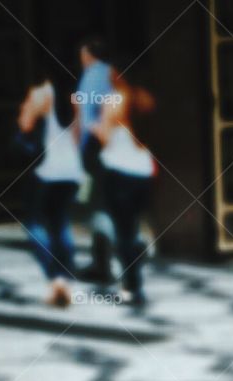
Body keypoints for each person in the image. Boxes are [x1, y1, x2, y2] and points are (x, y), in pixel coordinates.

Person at [88, 65, 157, 308]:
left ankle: (133, 287)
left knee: (124, 232)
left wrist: (95, 128)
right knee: (133, 225)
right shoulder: (145, 99)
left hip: (118, 171)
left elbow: (106, 138)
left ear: (118, 74)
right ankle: (137, 260)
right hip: (144, 171)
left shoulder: (113, 100)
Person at [17, 69, 83, 307]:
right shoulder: (75, 97)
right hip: (72, 171)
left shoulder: (40, 94)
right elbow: (78, 135)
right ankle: (65, 279)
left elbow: (25, 126)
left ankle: (54, 278)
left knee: (35, 224)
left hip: (47, 171)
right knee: (61, 222)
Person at [75, 36, 117, 284]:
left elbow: (84, 117)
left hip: (95, 146)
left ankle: (102, 264)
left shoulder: (90, 76)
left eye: (83, 54)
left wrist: (79, 153)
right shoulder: (114, 74)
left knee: (98, 205)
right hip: (115, 147)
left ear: (90, 56)